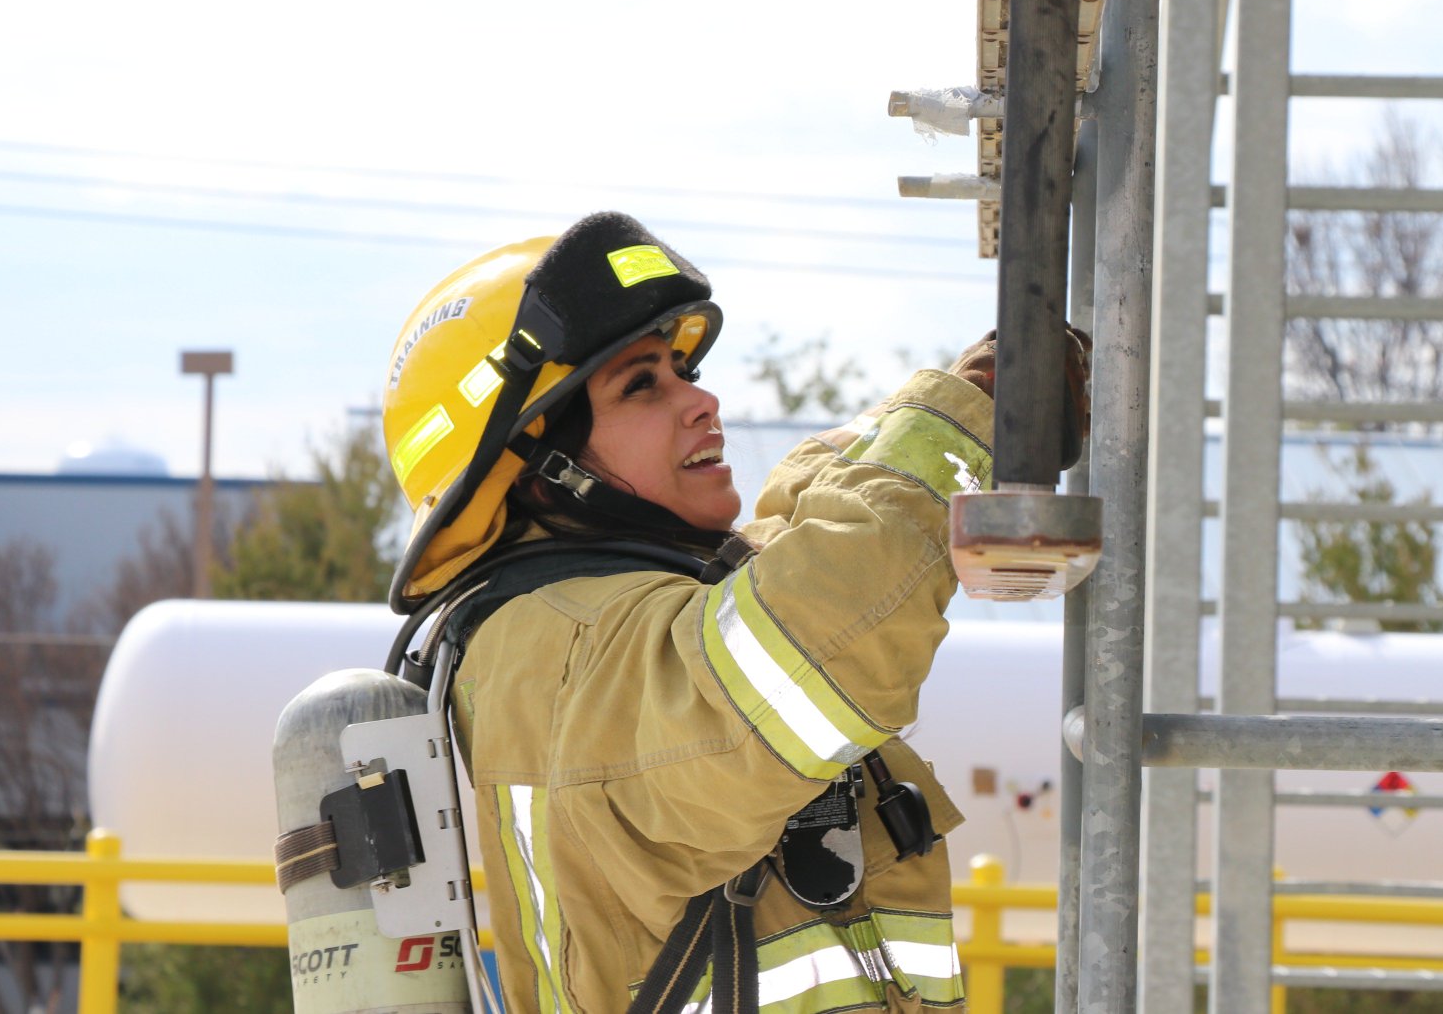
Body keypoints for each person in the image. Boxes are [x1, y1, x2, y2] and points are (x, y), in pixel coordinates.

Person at [378, 212, 1085, 1014]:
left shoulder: (604, 622)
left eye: (683, 368)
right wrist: (965, 419)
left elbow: (786, 543)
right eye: (642, 383)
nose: (703, 399)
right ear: (539, 465)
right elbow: (821, 628)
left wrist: (959, 399)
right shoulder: (566, 650)